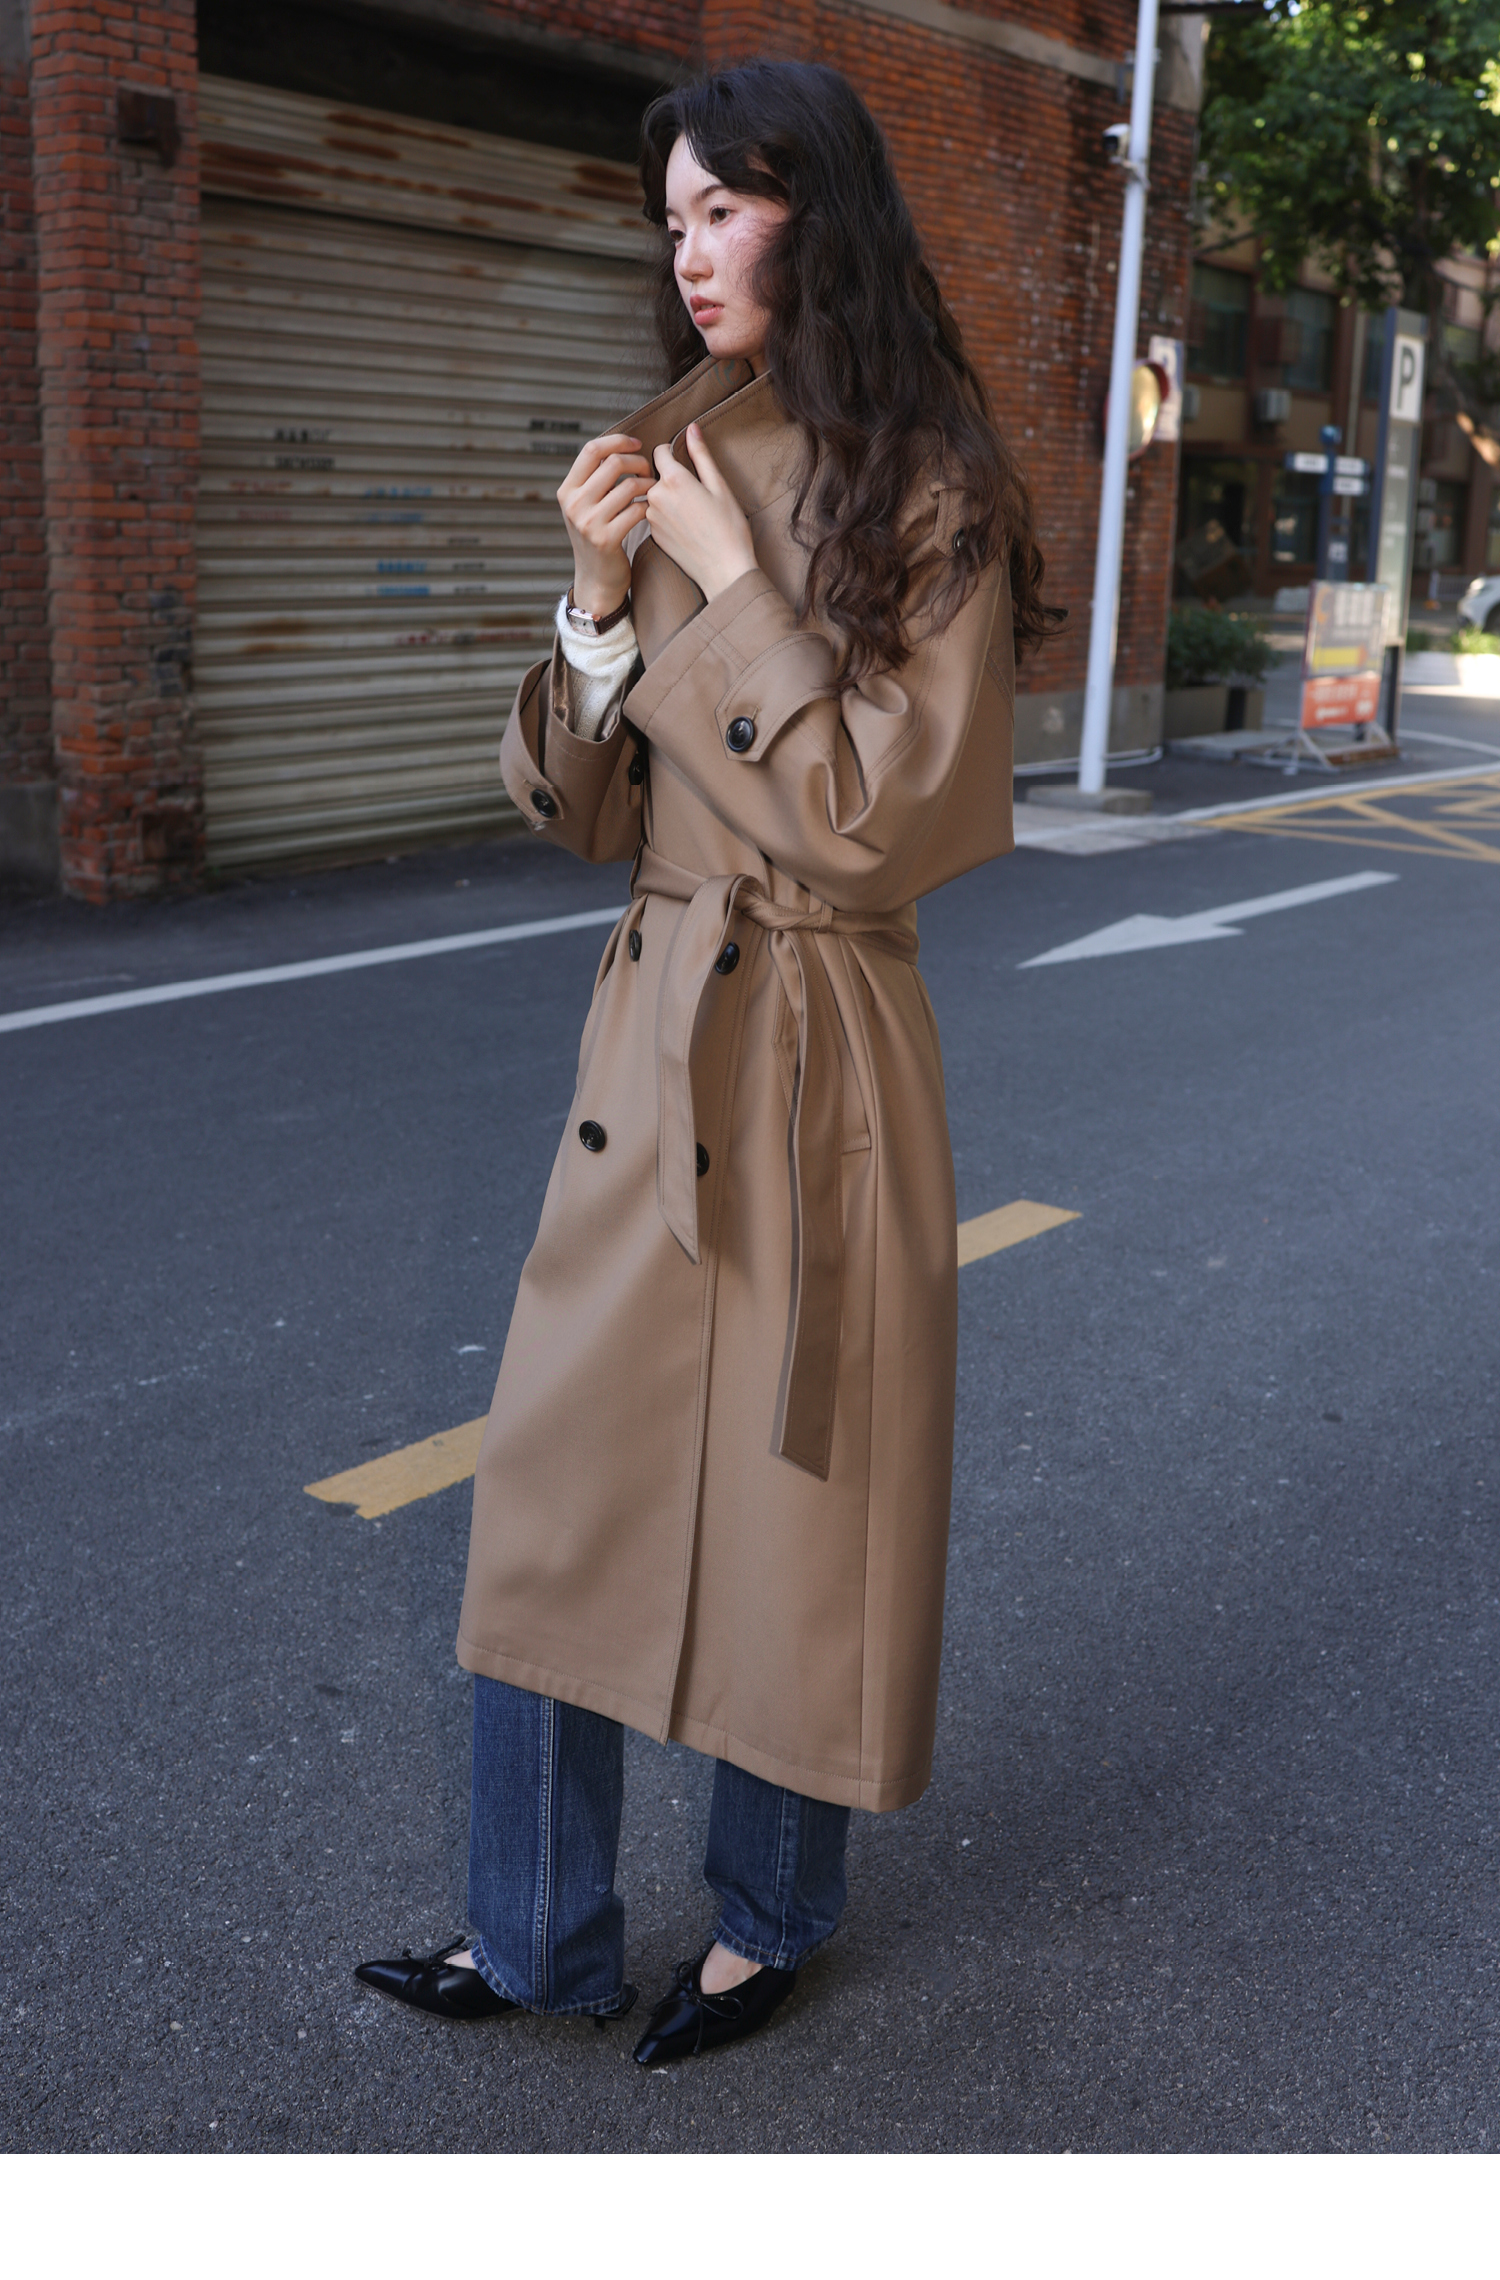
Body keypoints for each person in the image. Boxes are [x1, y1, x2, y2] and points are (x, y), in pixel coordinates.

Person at [356, 57, 1049, 2066]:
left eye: (722, 208)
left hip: (826, 1041)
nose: (686, 250)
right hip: (655, 1028)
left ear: (820, 213)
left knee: (797, 1499)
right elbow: (587, 818)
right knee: (549, 1482)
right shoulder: (666, 453)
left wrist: (737, 589)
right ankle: (533, 1931)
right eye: (670, 218)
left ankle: (772, 1917)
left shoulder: (936, 488)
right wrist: (594, 608)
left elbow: (873, 827)